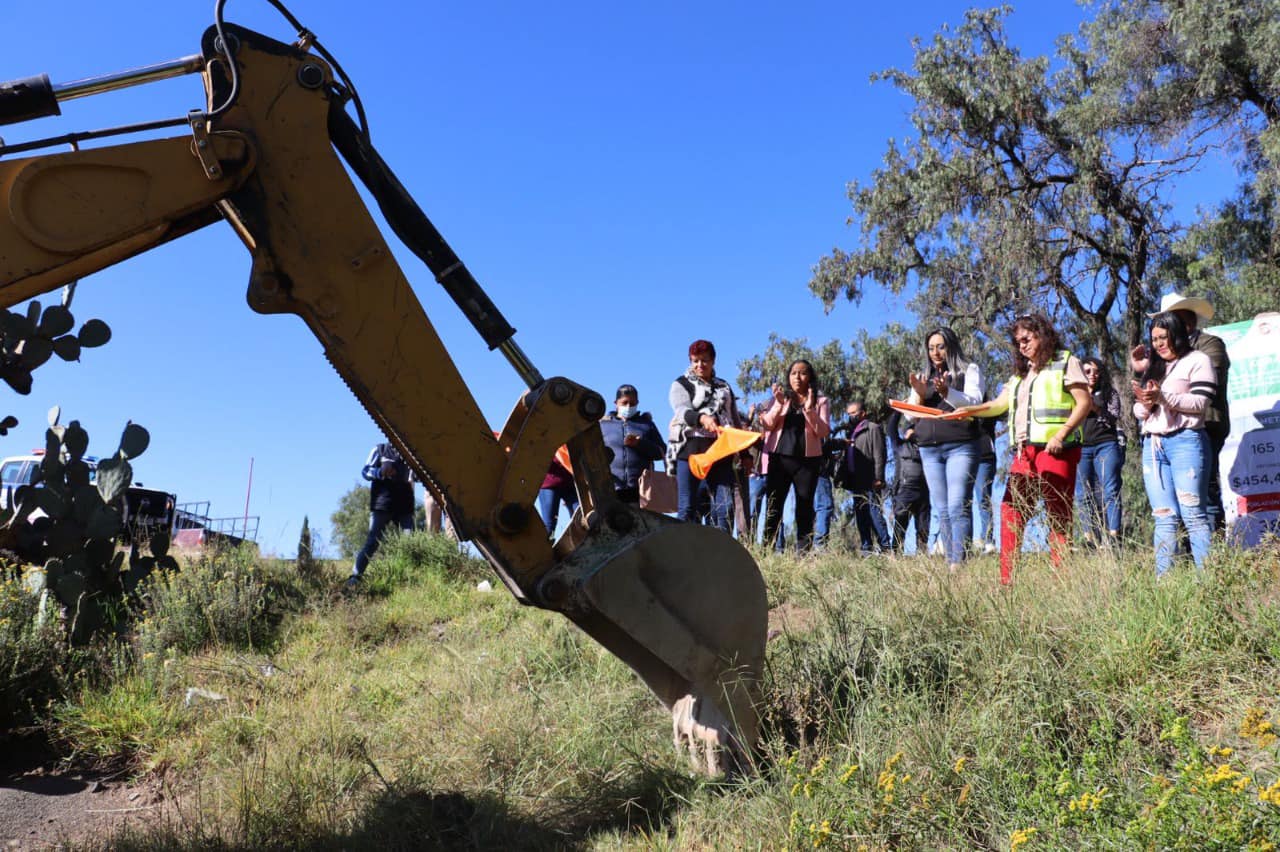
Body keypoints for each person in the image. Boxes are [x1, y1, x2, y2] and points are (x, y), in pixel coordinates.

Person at [952, 313, 1092, 585]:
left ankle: (1061, 583)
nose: (1022, 345)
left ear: (1043, 335)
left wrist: (1062, 434)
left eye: (1026, 339)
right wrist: (967, 410)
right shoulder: (1020, 375)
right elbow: (997, 404)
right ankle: (1007, 582)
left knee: (1058, 517)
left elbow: (1083, 402)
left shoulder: (1066, 362)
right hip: (1023, 454)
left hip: (1056, 451)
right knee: (1010, 512)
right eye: (1017, 342)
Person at [1131, 292, 1230, 532]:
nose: (1165, 330)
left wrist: (1176, 358)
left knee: (1203, 495)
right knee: (1171, 505)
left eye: (1171, 321)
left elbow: (1204, 385)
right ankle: (1186, 552)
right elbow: (1147, 395)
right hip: (1166, 429)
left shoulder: (1209, 345)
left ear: (1186, 321)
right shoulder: (1160, 357)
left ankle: (1212, 551)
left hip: (1204, 424)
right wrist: (1140, 373)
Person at [1133, 311, 1218, 576]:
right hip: (1153, 445)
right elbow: (1139, 412)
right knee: (1163, 517)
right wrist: (1145, 404)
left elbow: (1200, 403)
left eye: (1163, 337)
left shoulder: (1198, 360)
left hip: (1187, 442)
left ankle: (1209, 584)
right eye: (1154, 338)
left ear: (1177, 334)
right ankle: (1164, 585)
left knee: (1193, 516)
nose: (1158, 344)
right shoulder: (1155, 367)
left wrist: (1163, 397)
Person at [901, 327, 985, 572]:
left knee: (958, 503)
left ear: (951, 346)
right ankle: (951, 561)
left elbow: (975, 402)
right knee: (943, 508)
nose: (935, 352)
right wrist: (918, 393)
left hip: (962, 445)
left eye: (940, 346)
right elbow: (909, 415)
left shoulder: (968, 370)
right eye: (930, 348)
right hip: (929, 449)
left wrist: (948, 392)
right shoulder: (923, 376)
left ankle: (959, 562)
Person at [668, 339, 744, 530]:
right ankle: (681, 552)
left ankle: (723, 551)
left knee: (725, 507)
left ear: (713, 361)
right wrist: (702, 418)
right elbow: (681, 411)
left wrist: (744, 454)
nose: (699, 365)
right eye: (695, 361)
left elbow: (734, 420)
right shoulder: (681, 384)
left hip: (720, 450)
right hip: (690, 449)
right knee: (687, 507)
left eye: (704, 360)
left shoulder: (724, 387)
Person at [759, 359, 831, 551]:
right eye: (793, 373)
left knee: (805, 508)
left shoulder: (821, 401)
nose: (797, 377)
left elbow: (823, 431)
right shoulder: (780, 399)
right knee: (773, 508)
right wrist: (778, 404)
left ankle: (804, 554)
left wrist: (809, 410)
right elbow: (766, 424)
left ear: (810, 377)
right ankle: (767, 550)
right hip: (779, 459)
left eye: (802, 373)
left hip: (808, 463)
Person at [347, 441, 416, 588]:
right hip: (382, 504)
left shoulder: (411, 452)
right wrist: (380, 472)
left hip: (405, 504)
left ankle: (412, 580)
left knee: (411, 542)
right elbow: (365, 471)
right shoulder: (380, 449)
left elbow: (416, 475)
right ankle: (355, 577)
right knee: (373, 542)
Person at [1077, 356, 1125, 546]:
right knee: (1082, 494)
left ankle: (1113, 537)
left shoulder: (1109, 393)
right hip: (1081, 447)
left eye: (1096, 371)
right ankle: (1089, 538)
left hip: (1106, 444)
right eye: (1087, 371)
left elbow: (1112, 417)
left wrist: (1095, 407)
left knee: (1110, 490)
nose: (1092, 375)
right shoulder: (1074, 394)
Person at [599, 383, 666, 503]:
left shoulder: (647, 425)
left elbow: (661, 452)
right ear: (616, 403)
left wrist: (640, 444)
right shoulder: (603, 425)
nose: (629, 406)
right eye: (624, 403)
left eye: (633, 403)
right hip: (611, 488)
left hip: (641, 490)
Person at [838, 400, 891, 554]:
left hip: (870, 479)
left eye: (854, 413)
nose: (851, 416)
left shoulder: (873, 428)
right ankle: (866, 549)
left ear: (863, 413)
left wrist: (878, 477)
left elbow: (879, 454)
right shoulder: (851, 433)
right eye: (849, 414)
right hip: (855, 480)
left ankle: (886, 548)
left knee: (874, 513)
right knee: (861, 515)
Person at [887, 410, 931, 554]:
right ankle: (895, 554)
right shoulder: (899, 446)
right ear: (905, 434)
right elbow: (891, 429)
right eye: (909, 431)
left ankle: (922, 555)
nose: (912, 433)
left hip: (923, 492)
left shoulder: (926, 448)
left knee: (924, 527)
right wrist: (898, 411)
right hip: (904, 491)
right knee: (900, 524)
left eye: (915, 432)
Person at [971, 417, 998, 554]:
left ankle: (987, 540)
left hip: (984, 458)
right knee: (959, 500)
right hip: (961, 455)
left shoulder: (986, 407)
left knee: (983, 498)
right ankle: (961, 541)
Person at [538, 454, 578, 537]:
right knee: (549, 526)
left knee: (580, 516)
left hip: (569, 482)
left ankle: (583, 546)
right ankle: (547, 546)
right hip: (548, 484)